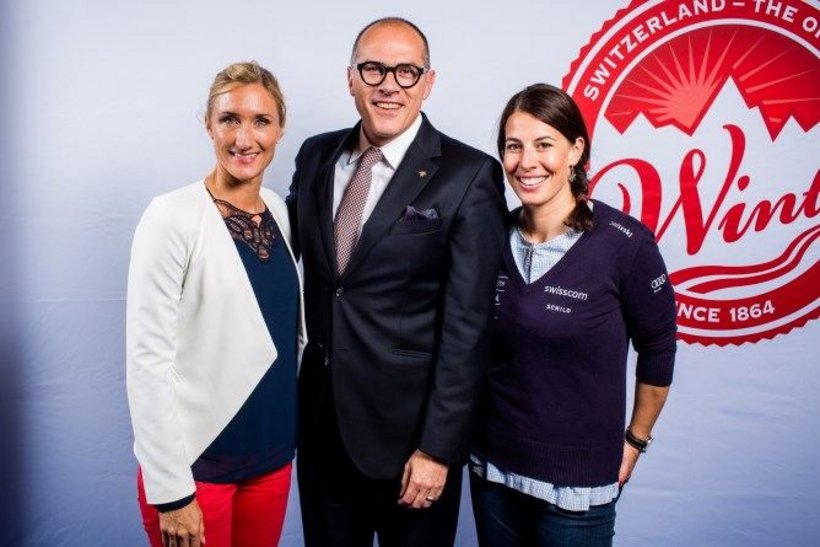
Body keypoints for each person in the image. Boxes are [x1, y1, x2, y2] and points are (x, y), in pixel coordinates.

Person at [286, 17, 507, 547]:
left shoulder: (469, 174)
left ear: (428, 83)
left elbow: (470, 328)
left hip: (412, 447)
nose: (389, 85)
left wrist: (438, 450)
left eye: (406, 71)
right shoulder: (316, 155)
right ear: (351, 78)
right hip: (321, 432)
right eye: (374, 69)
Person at [470, 83, 677, 546]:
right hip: (493, 471)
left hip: (575, 488)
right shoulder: (489, 237)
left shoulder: (624, 244)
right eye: (513, 146)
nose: (527, 162)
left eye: (544, 144)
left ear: (575, 151)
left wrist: (635, 441)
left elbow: (659, 348)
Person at [126, 61, 306, 547]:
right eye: (229, 119)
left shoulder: (278, 210)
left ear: (280, 129)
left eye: (261, 121)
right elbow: (147, 362)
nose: (245, 138)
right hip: (196, 470)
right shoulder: (171, 216)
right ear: (208, 125)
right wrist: (171, 493)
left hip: (271, 459)